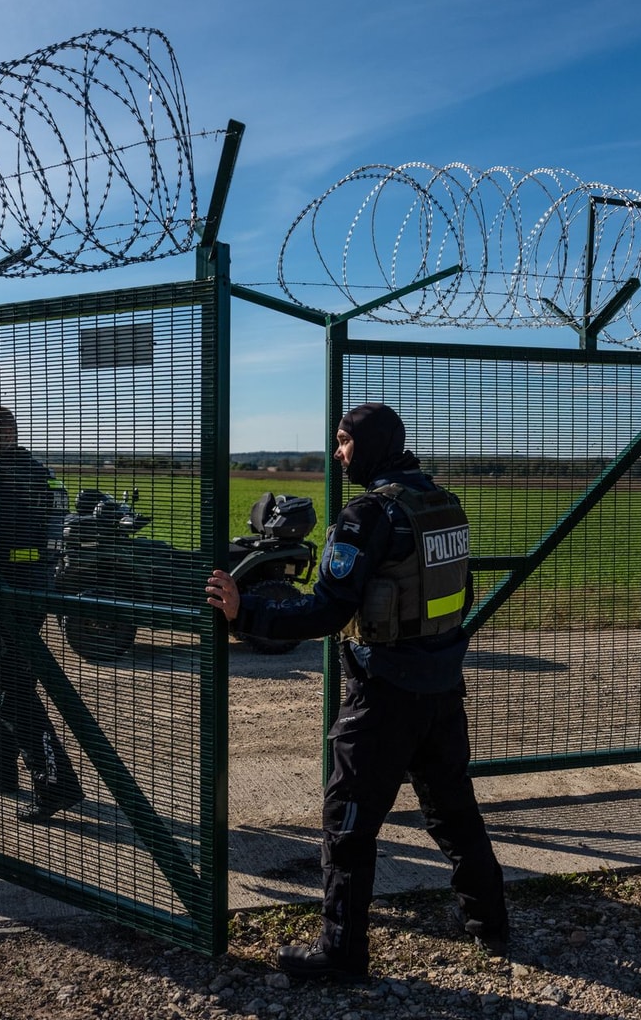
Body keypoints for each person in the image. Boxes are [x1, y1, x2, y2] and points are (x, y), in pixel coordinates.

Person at [205, 403, 508, 980]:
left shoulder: (368, 513)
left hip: (385, 691)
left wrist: (247, 616)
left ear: (369, 445)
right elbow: (462, 594)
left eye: (344, 441)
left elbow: (326, 610)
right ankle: (489, 921)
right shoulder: (443, 503)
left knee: (347, 821)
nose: (339, 452)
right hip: (442, 685)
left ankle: (342, 952)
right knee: (453, 810)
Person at [0, 405, 83, 823]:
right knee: (5, 678)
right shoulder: (39, 472)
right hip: (37, 587)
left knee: (4, 684)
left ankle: (53, 780)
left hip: (5, 593)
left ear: (7, 434)